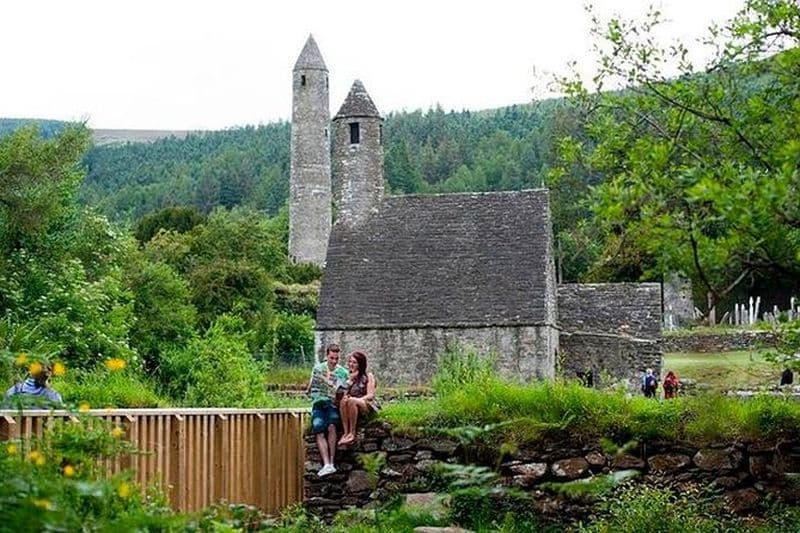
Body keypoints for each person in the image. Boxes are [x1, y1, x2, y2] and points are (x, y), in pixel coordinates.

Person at [307, 344, 349, 477]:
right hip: (319, 402)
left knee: (332, 425)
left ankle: (331, 462)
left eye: (336, 358)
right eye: (332, 358)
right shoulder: (318, 369)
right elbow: (310, 388)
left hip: (332, 404)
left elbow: (345, 390)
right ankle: (326, 464)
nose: (334, 361)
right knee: (318, 427)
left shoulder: (342, 372)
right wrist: (310, 389)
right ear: (327, 356)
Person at [338, 351, 379, 446]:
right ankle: (346, 432)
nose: (351, 364)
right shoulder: (348, 377)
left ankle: (352, 433)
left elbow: (370, 395)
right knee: (344, 400)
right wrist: (350, 381)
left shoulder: (368, 376)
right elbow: (342, 394)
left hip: (366, 403)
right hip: (350, 403)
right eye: (350, 362)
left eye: (354, 362)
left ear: (360, 364)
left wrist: (358, 400)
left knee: (351, 400)